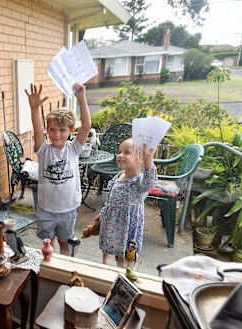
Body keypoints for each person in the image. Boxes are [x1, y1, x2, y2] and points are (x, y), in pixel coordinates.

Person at [26, 83, 91, 256]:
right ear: (47, 130)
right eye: (52, 129)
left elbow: (86, 126)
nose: (56, 134)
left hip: (68, 210)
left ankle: (64, 271)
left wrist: (81, 97)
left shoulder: (74, 148)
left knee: (64, 245)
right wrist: (34, 108)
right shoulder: (43, 149)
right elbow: (37, 128)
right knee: (48, 247)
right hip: (46, 209)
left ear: (71, 130)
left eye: (62, 130)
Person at [94, 139, 157, 268]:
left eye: (126, 152)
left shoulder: (139, 183)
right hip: (111, 221)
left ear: (139, 159)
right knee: (106, 246)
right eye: (119, 152)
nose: (120, 155)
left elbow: (150, 182)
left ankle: (122, 274)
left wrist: (148, 158)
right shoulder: (118, 176)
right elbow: (111, 199)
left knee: (121, 255)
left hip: (127, 226)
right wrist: (103, 213)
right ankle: (104, 267)